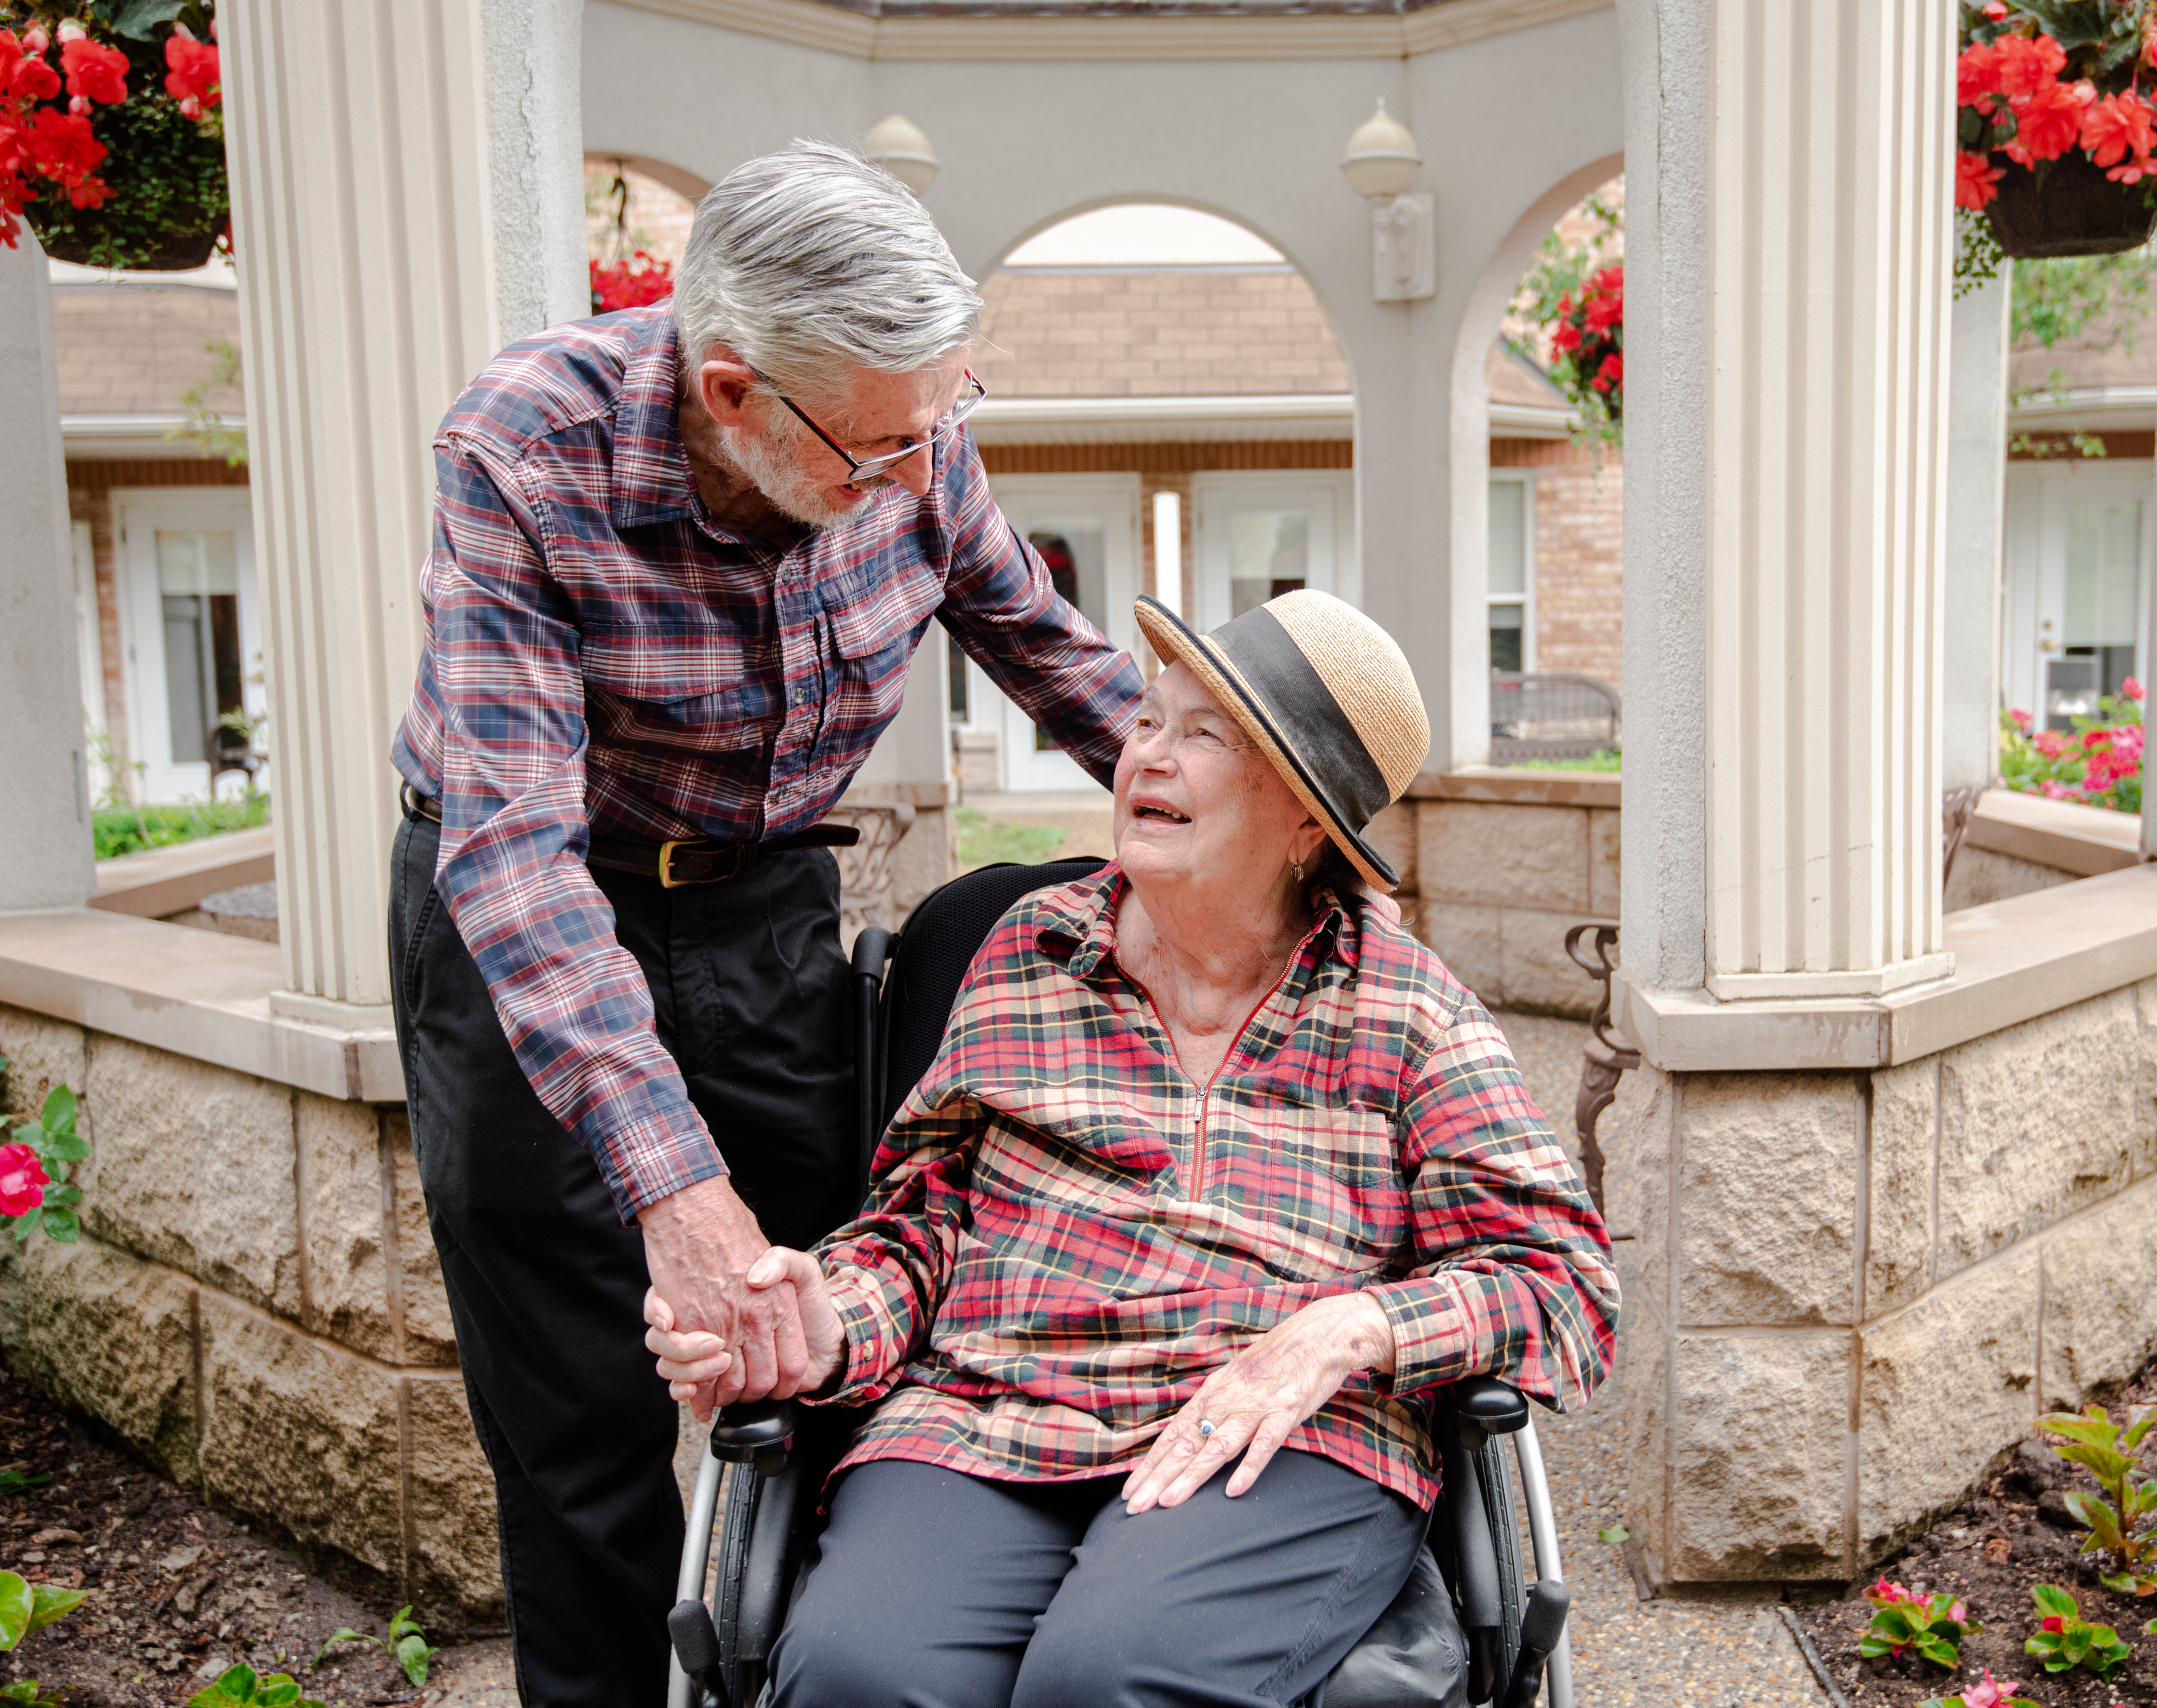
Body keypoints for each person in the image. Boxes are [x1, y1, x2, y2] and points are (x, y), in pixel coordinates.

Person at [385, 141, 1145, 1708]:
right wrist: (672, 1187)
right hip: (527, 931)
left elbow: (1057, 660)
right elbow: (514, 854)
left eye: (939, 422)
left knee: (832, 1346)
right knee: (582, 1421)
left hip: (763, 918)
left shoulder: (911, 438)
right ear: (733, 392)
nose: (912, 468)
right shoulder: (528, 448)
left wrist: (1282, 832)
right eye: (875, 446)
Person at [646, 591, 1619, 1708]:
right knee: (855, 1675)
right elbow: (925, 1223)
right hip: (987, 1411)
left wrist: (1348, 1328)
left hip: (1265, 1431)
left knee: (1105, 1681)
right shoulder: (1028, 950)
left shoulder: (1404, 1012)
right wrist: (824, 1323)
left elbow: (1566, 1287)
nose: (1148, 755)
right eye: (1150, 720)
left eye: (1205, 736)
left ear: (1307, 822)